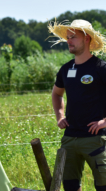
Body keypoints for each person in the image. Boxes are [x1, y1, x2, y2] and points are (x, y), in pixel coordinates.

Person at [49, 19, 106, 191]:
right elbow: (57, 94)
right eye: (68, 37)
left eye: (73, 36)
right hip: (70, 139)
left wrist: (104, 122)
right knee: (70, 187)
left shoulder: (101, 68)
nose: (69, 41)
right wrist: (60, 116)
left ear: (87, 38)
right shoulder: (66, 69)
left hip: (96, 140)